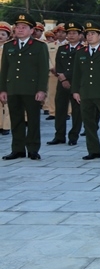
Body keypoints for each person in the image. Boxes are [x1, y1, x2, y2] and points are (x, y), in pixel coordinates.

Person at [0, 14, 50, 160]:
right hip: (13, 89)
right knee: (16, 120)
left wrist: (42, 90)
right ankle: (18, 149)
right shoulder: (9, 46)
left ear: (32, 30)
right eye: (18, 27)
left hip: (31, 89)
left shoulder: (39, 46)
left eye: (24, 27)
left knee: (33, 120)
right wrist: (3, 89)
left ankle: (33, 149)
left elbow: (43, 69)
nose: (20, 29)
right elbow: (4, 70)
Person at [71, 21, 100, 160]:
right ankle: (94, 150)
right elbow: (77, 74)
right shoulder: (81, 52)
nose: (89, 36)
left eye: (93, 34)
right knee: (89, 123)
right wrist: (76, 91)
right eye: (87, 34)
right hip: (86, 92)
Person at [49, 22, 84, 146]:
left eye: (74, 33)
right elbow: (58, 65)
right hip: (62, 83)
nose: (71, 35)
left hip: (77, 84)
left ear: (80, 35)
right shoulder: (62, 49)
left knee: (77, 112)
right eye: (69, 33)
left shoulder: (83, 49)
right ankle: (59, 135)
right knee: (60, 110)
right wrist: (62, 78)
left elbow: (81, 67)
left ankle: (73, 136)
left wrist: (66, 76)